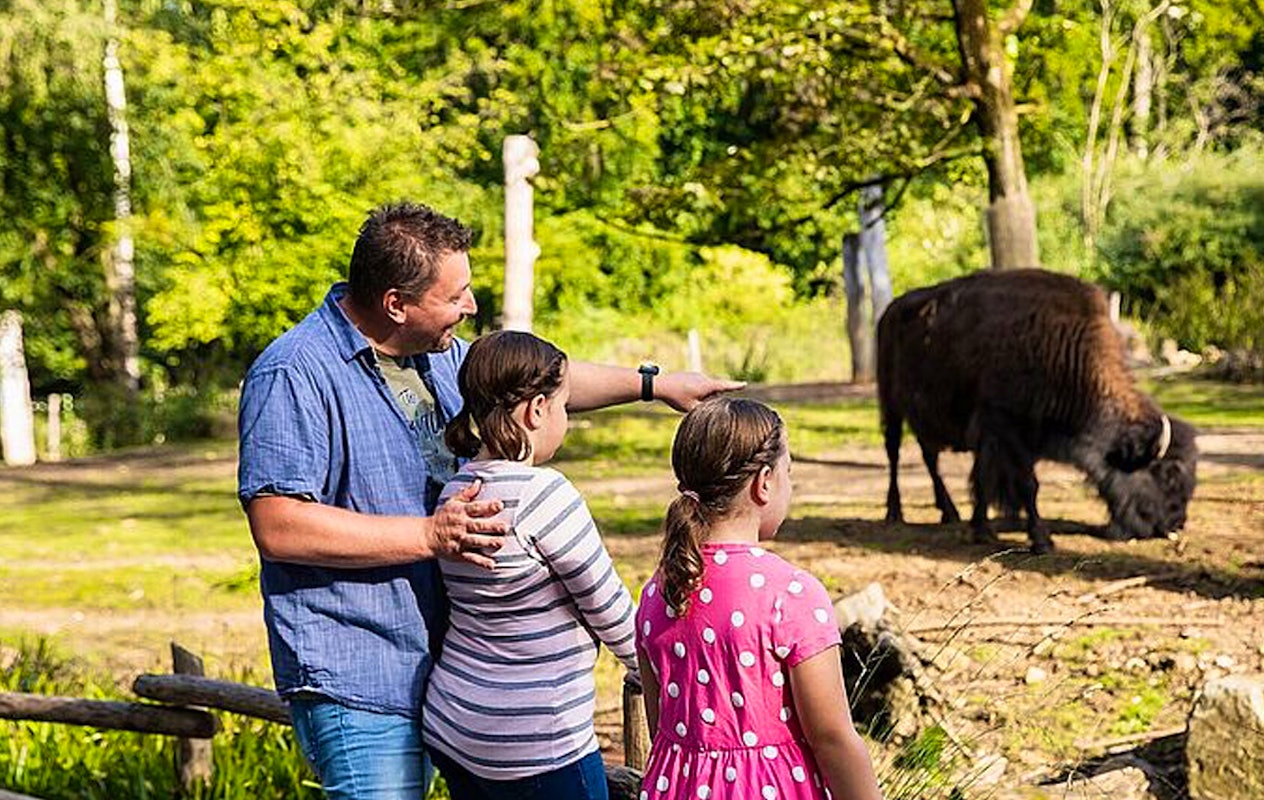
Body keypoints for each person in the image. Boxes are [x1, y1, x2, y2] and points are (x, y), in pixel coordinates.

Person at [237, 202, 741, 800]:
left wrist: (654, 386)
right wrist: (430, 535)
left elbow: (539, 380)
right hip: (360, 673)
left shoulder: (440, 354)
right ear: (397, 303)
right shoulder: (295, 373)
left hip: (448, 679)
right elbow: (278, 525)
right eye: (457, 296)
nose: (471, 307)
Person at [422, 330, 637, 800]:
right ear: (536, 409)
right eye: (562, 406)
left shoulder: (455, 490)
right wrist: (661, 665)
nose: (564, 419)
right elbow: (609, 609)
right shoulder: (545, 494)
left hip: (457, 723)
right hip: (537, 738)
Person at [635, 398, 884, 800]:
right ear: (764, 482)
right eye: (789, 473)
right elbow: (832, 737)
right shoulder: (790, 595)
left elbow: (662, 725)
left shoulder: (658, 590)